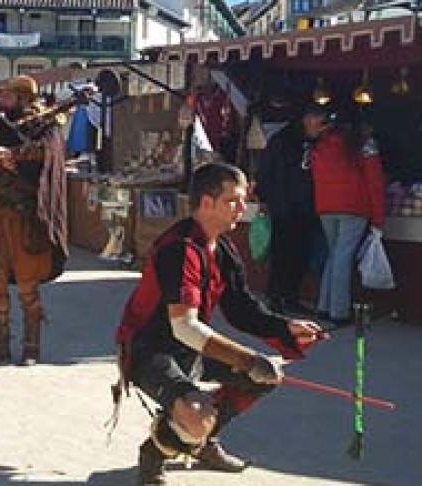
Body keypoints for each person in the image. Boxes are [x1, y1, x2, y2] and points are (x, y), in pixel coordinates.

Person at [115, 163, 323, 485]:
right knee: (198, 414)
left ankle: (200, 441)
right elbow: (184, 327)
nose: (243, 208)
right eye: (233, 201)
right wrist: (247, 359)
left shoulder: (222, 246)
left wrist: (285, 328)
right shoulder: (180, 249)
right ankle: (156, 451)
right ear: (207, 203)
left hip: (189, 349)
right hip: (150, 350)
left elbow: (241, 308)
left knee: (267, 377)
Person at [0, 75, 68, 366]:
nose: (1, 100)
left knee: (28, 286)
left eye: (6, 95)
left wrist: (14, 156)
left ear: (22, 97)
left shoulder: (46, 127)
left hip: (25, 218)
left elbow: (49, 155)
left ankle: (31, 348)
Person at [311, 111, 385, 326]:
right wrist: (378, 218)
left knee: (334, 255)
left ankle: (324, 306)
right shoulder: (364, 145)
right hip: (354, 207)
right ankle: (339, 311)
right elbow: (375, 182)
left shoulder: (321, 145)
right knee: (343, 257)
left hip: (325, 206)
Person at [254, 105, 325, 314]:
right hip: (283, 206)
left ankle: (291, 297)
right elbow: (265, 170)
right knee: (282, 254)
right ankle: (275, 297)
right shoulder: (282, 140)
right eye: (316, 118)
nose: (320, 125)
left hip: (307, 207)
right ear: (305, 118)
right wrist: (263, 197)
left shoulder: (317, 143)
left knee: (301, 255)